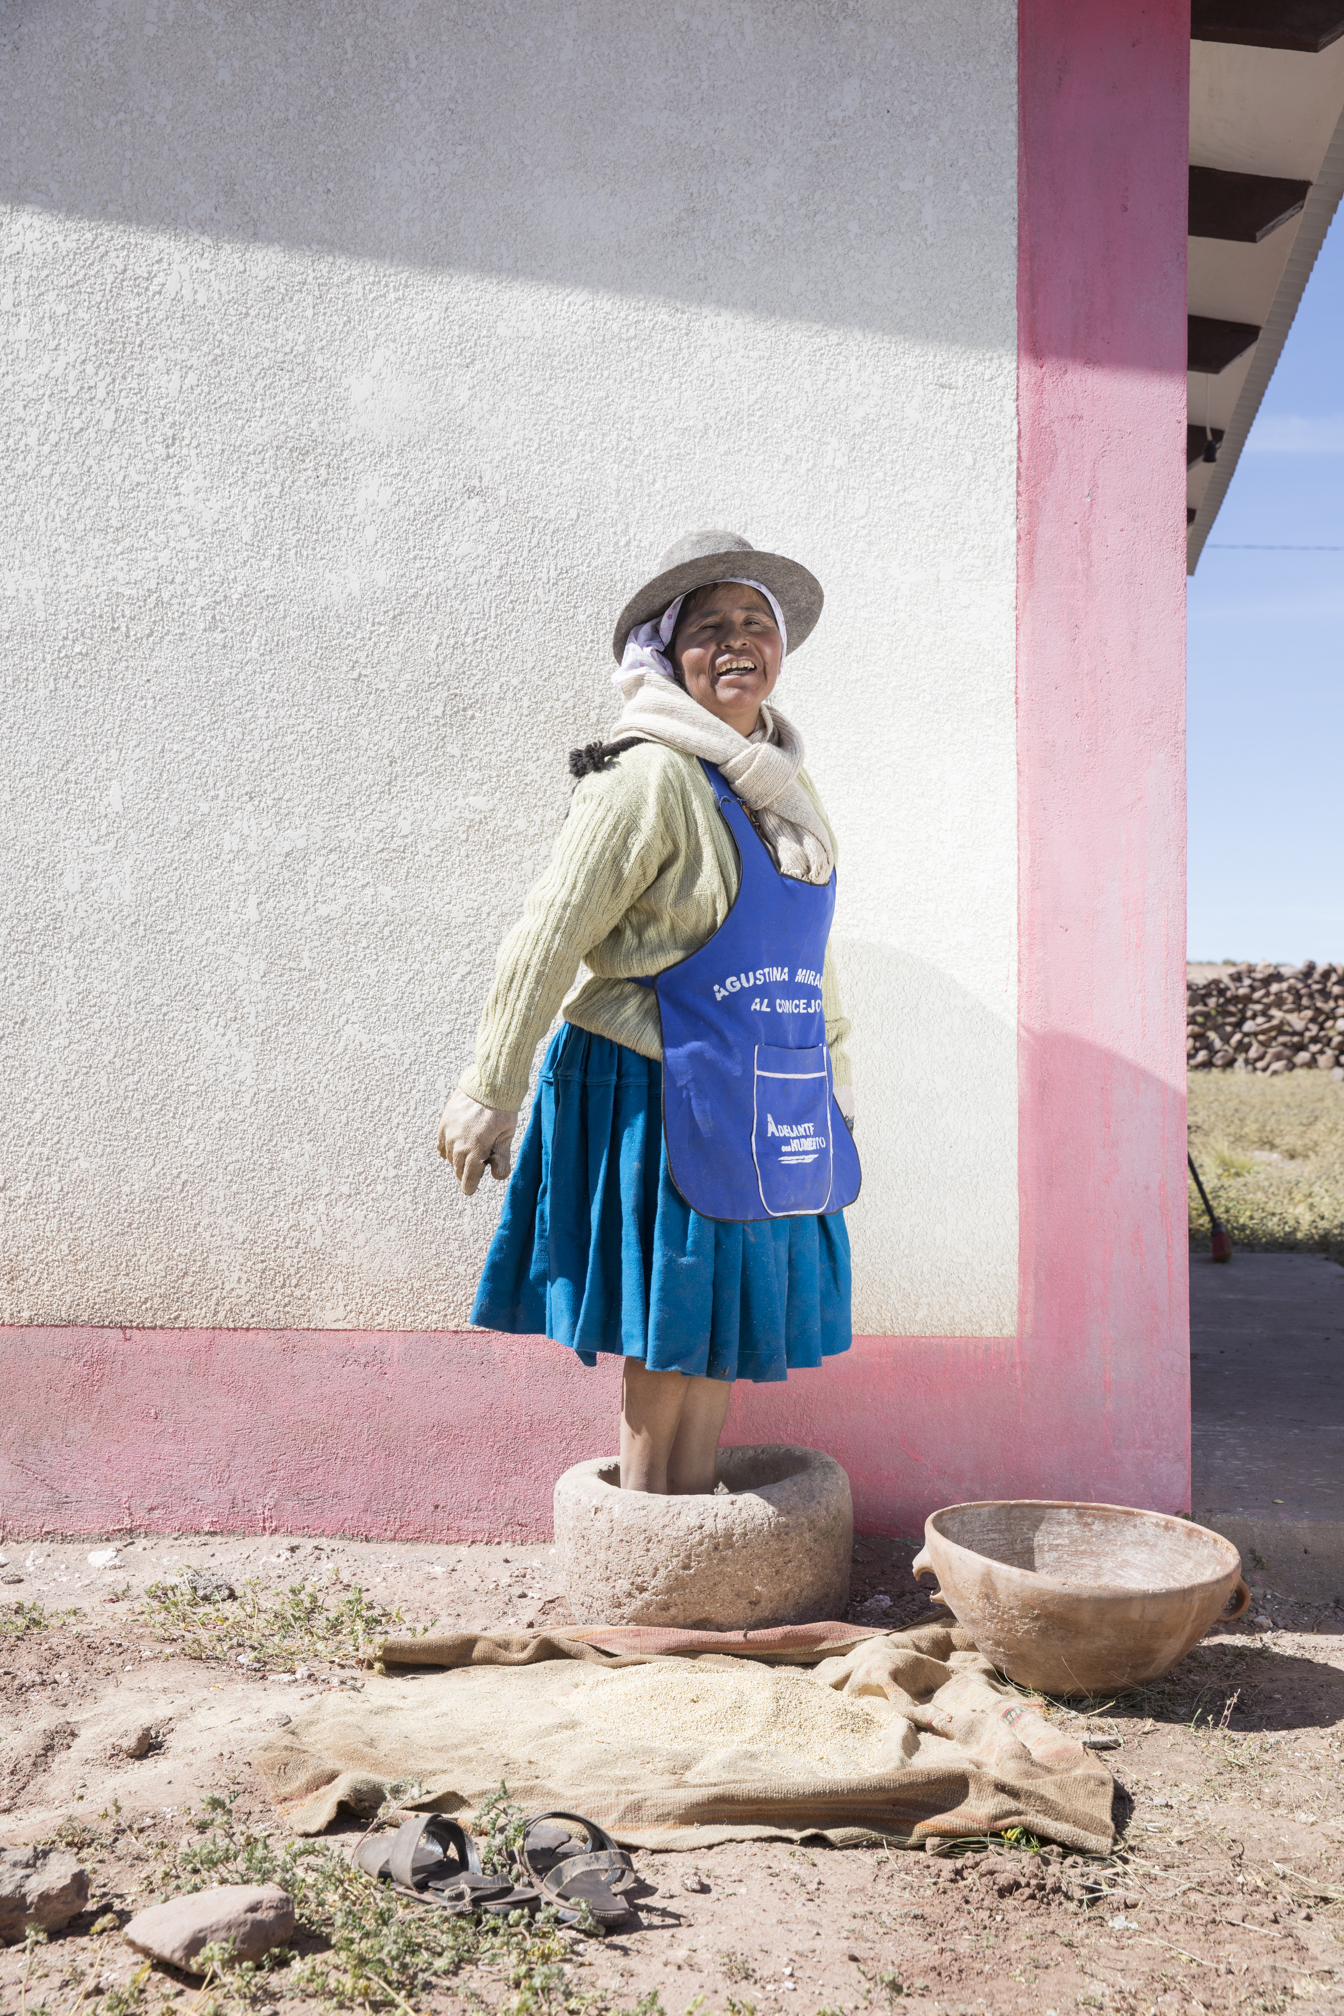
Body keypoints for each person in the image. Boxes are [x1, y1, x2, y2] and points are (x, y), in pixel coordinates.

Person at [437, 530, 860, 1496]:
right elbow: (547, 933)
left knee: (714, 1326)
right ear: (669, 657)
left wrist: (835, 1073)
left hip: (759, 1086)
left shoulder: (784, 789)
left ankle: (686, 1517)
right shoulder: (652, 775)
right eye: (711, 628)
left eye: (758, 623)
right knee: (669, 1317)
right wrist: (489, 1088)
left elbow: (808, 947)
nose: (739, 641)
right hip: (653, 1084)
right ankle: (641, 1531)